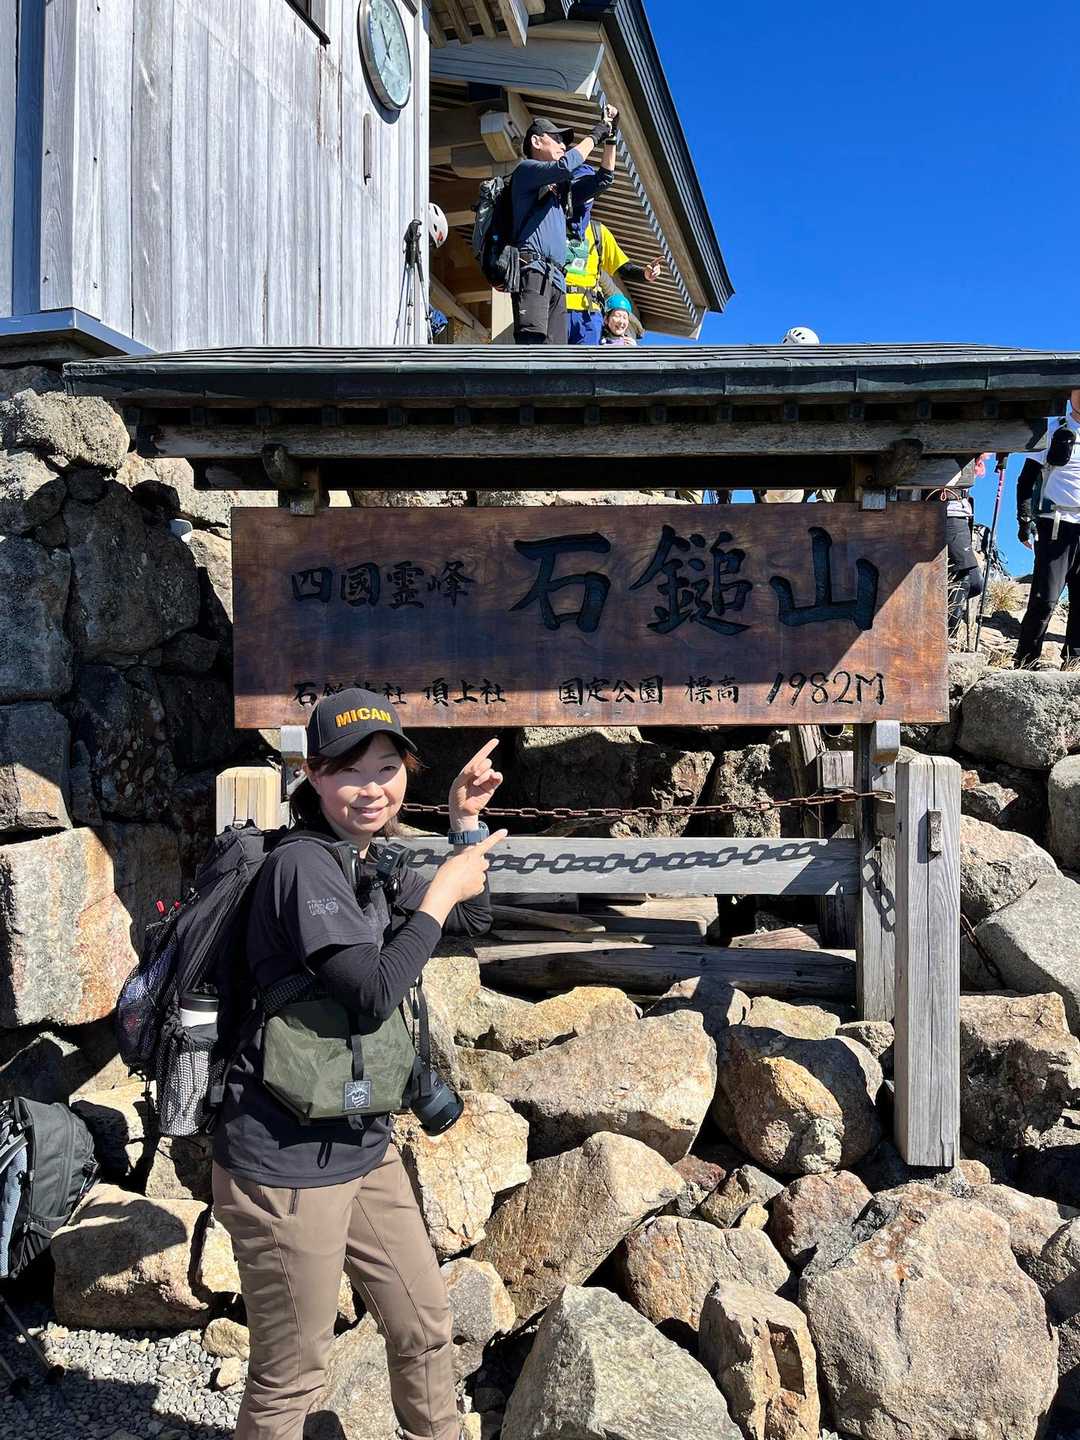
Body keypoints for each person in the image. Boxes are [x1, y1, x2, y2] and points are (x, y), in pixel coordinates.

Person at [211, 689, 506, 1440]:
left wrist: (463, 825)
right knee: (292, 1376)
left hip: (360, 1141)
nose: (372, 788)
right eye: (349, 770)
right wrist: (439, 893)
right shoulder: (303, 867)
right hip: (282, 1161)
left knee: (425, 1327)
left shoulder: (367, 860)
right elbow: (373, 991)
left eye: (387, 768)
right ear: (312, 773)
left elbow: (470, 917)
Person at [508, 108, 618, 344]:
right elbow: (565, 166)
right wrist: (596, 134)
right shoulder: (526, 170)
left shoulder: (560, 190)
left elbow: (603, 179)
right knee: (533, 346)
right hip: (533, 269)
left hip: (557, 278)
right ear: (536, 142)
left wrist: (611, 137)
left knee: (556, 354)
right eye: (556, 138)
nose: (562, 145)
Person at [1015, 388, 1080, 668]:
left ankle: (1074, 664)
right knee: (1045, 598)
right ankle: (1025, 661)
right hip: (1056, 524)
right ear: (1070, 395)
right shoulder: (1053, 430)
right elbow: (1026, 480)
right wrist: (1024, 520)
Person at [565, 215, 663, 345]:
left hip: (589, 311)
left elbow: (623, 267)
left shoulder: (598, 231)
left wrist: (644, 274)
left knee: (588, 357)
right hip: (557, 305)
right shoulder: (553, 223)